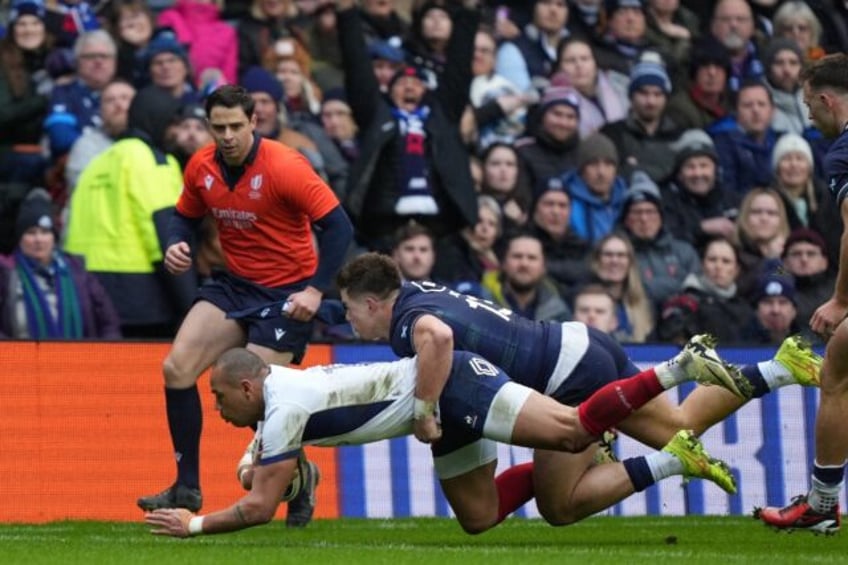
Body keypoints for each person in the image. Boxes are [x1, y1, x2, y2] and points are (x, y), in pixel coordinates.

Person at [336, 252, 820, 530]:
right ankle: (782, 366)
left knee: (560, 505)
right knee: (679, 424)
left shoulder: (405, 323)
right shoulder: (417, 290)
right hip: (579, 342)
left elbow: (439, 340)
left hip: (568, 376)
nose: (350, 320)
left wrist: (423, 411)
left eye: (350, 310)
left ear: (374, 302)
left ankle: (665, 459)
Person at [145, 345, 735, 537]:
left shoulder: (282, 408)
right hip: (437, 409)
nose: (217, 408)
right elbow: (263, 475)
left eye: (219, 399)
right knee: (478, 517)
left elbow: (256, 508)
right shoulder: (277, 392)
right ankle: (667, 462)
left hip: (454, 387)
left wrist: (192, 526)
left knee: (571, 428)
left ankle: (678, 368)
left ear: (248, 386)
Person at [135, 85, 354, 530]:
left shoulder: (286, 166)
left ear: (254, 122)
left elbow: (338, 226)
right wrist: (176, 242)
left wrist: (314, 291)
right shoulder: (201, 165)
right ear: (209, 126)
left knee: (260, 401)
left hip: (284, 295)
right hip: (235, 286)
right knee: (176, 368)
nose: (229, 135)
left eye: (237, 126)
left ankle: (301, 475)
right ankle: (186, 486)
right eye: (220, 128)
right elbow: (184, 215)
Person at [757, 53, 848, 534]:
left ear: (828, 99)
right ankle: (822, 502)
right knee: (838, 366)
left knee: (837, 372)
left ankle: (822, 502)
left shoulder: (843, 151)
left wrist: (840, 300)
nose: (809, 115)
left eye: (811, 105)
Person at [0, 190, 121, 339]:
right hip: (19, 360)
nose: (39, 239)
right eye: (31, 233)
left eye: (45, 232)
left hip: (80, 359)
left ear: (54, 237)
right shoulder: (5, 273)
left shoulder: (78, 271)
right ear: (20, 238)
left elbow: (109, 322)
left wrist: (104, 357)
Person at [482, 232, 571, 323]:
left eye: (532, 258)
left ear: (543, 266)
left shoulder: (559, 312)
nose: (524, 264)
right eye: (517, 256)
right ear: (504, 263)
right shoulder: (482, 302)